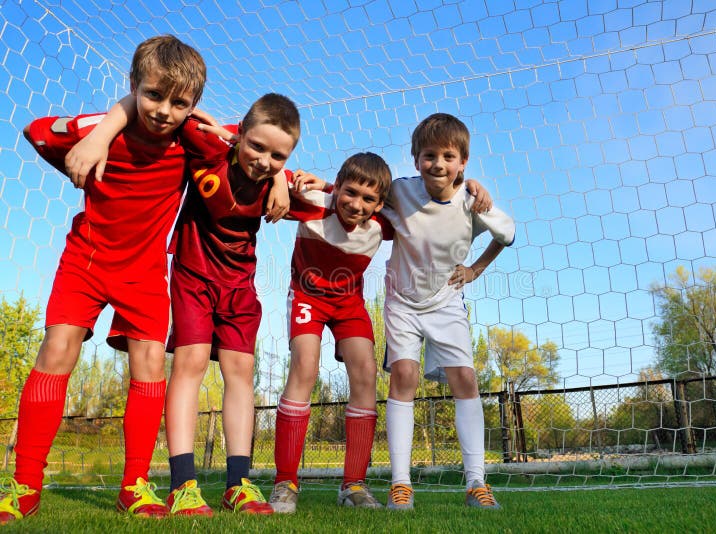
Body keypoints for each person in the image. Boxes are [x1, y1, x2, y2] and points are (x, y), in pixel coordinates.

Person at [0, 35, 207, 523]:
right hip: (87, 260)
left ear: (194, 107)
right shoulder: (100, 131)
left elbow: (247, 141)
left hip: (145, 270)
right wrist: (98, 136)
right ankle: (24, 485)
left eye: (180, 103)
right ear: (133, 86)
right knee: (57, 348)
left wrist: (202, 123)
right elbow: (36, 130)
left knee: (151, 361)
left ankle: (134, 485)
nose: (163, 111)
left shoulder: (191, 140)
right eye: (154, 95)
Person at [62, 93, 297, 516]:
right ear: (239, 135)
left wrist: (282, 180)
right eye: (256, 147)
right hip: (193, 278)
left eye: (277, 155)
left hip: (240, 287)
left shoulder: (279, 182)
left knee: (241, 372)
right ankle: (183, 485)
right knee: (188, 365)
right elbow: (156, 107)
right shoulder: (207, 146)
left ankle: (238, 485)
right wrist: (99, 137)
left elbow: (332, 201)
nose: (263, 160)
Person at [380, 113, 515, 510]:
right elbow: (359, 189)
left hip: (446, 301)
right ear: (415, 158)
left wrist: (475, 270)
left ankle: (476, 483)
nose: (438, 163)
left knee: (466, 380)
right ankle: (400, 484)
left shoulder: (474, 201)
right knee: (404, 374)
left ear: (462, 163)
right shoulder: (399, 193)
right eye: (428, 155)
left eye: (448, 156)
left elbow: (507, 235)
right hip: (402, 301)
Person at [267, 153, 394, 513]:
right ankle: (285, 483)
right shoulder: (314, 203)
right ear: (337, 189)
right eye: (349, 193)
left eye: (368, 199)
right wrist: (294, 180)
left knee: (366, 373)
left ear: (380, 204)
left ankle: (353, 484)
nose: (356, 204)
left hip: (348, 304)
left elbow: (427, 208)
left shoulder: (384, 225)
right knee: (305, 366)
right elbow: (271, 170)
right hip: (308, 295)